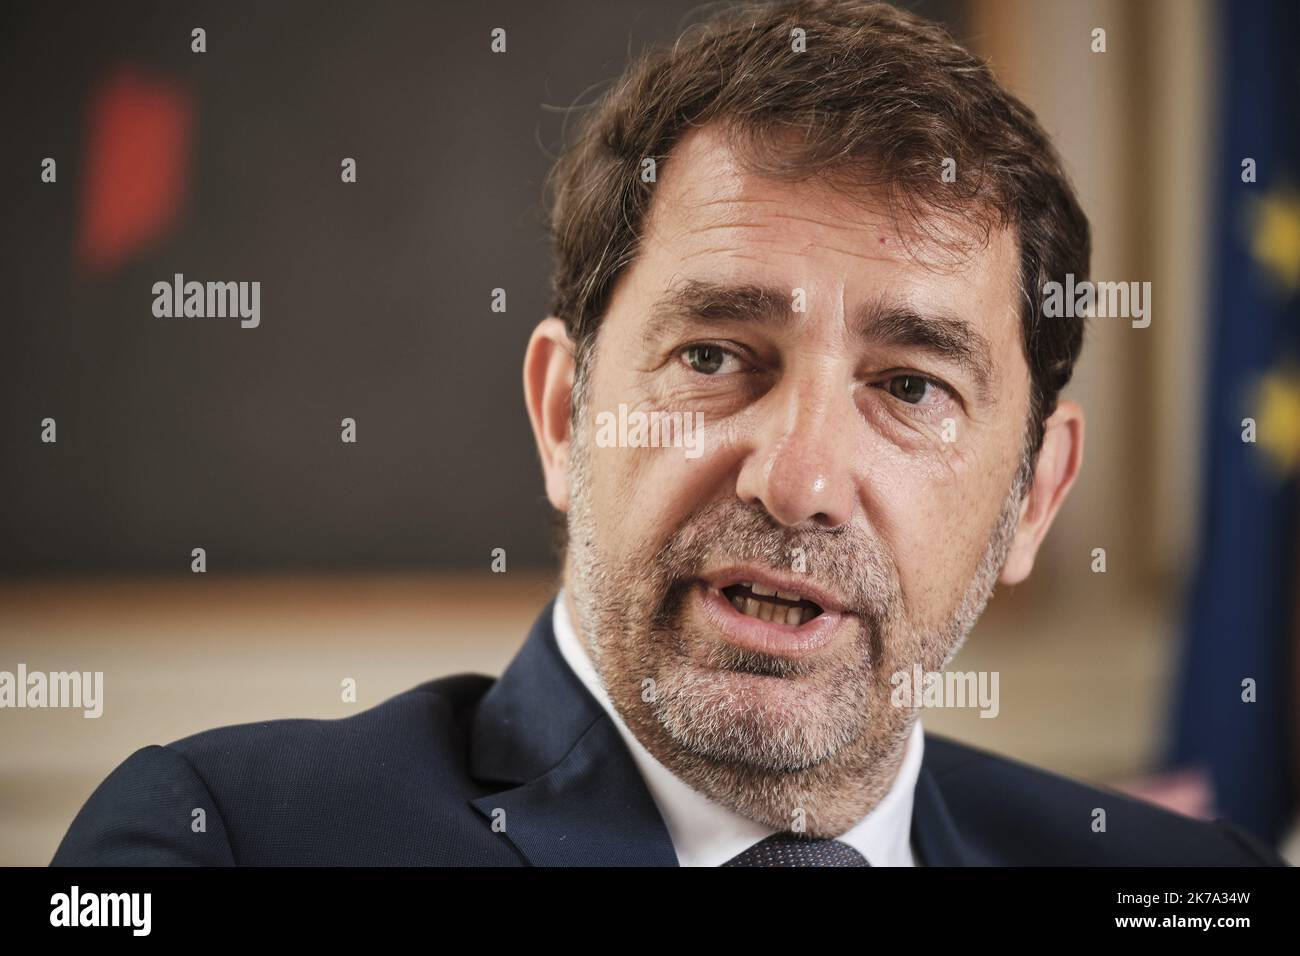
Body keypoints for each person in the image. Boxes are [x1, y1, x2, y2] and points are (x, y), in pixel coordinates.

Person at [52, 0, 1283, 866]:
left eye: (910, 387)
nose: (800, 478)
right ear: (561, 412)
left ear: (1033, 497)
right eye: (714, 356)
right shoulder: (229, 837)